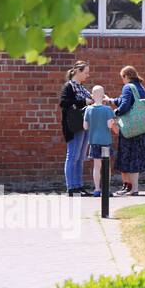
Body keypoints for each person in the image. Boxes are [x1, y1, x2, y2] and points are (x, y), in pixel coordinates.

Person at [113, 65, 145, 197]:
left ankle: (134, 189)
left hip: (133, 128)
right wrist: (112, 100)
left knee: (132, 157)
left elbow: (125, 105)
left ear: (126, 76)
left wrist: (115, 112)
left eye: (122, 77)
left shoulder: (128, 87)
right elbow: (128, 100)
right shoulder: (141, 87)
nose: (122, 80)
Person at [58, 61, 92, 195]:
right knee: (73, 156)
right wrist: (83, 102)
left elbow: (90, 99)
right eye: (86, 72)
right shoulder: (69, 86)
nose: (88, 75)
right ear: (77, 71)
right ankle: (71, 187)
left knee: (80, 157)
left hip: (83, 125)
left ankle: (78, 186)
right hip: (74, 126)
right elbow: (64, 103)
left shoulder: (81, 87)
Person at [82, 86, 115, 198]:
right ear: (103, 95)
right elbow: (109, 126)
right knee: (106, 166)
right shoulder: (108, 110)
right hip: (105, 140)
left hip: (93, 141)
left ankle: (97, 189)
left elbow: (85, 127)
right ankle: (106, 189)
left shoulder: (88, 109)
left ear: (92, 95)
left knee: (97, 166)